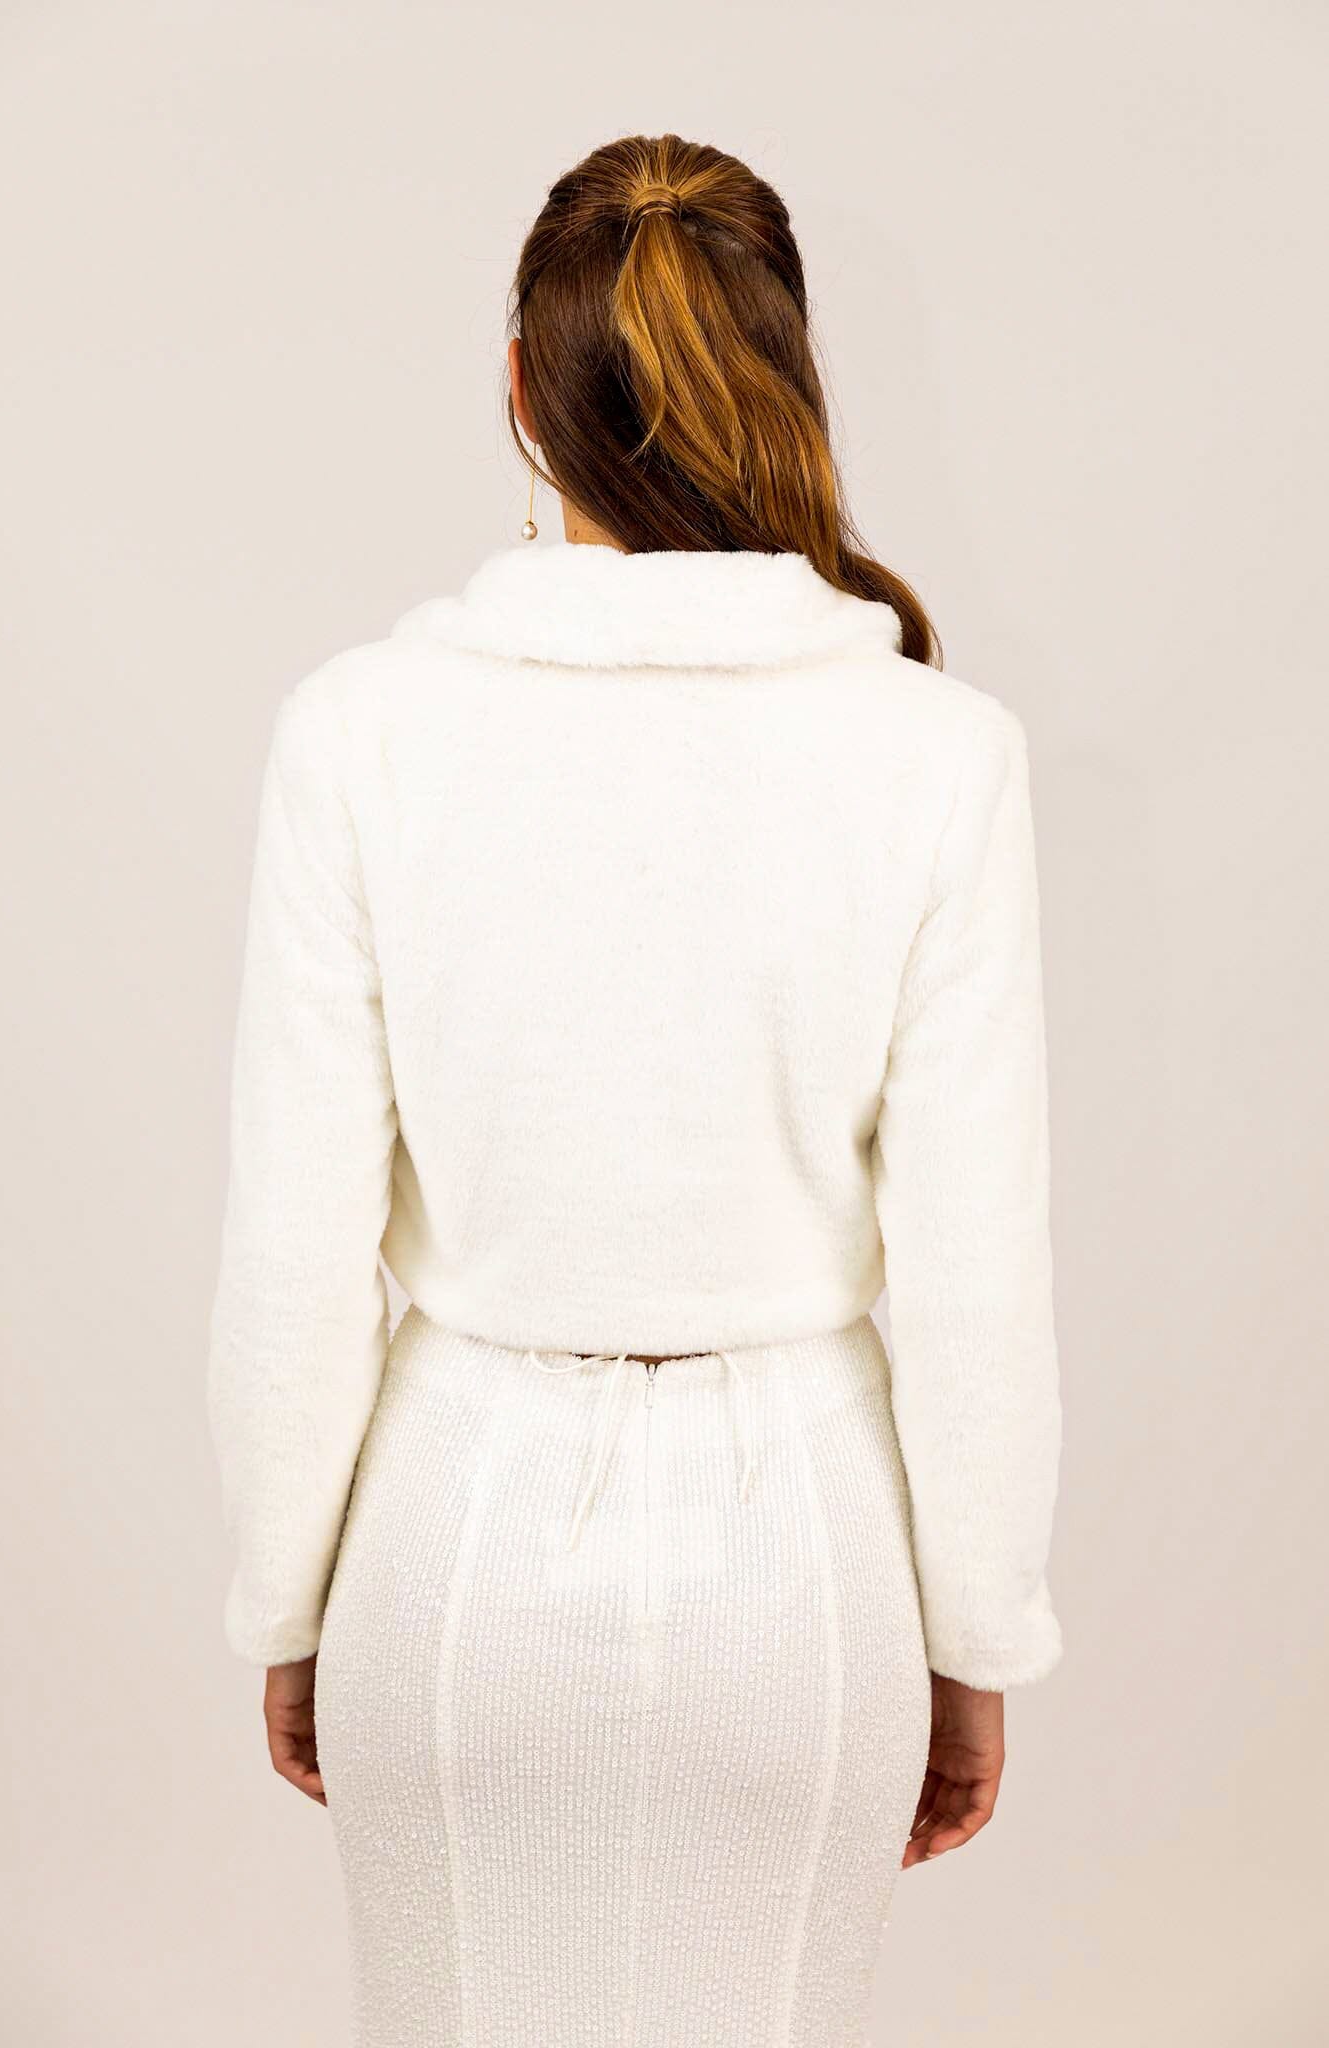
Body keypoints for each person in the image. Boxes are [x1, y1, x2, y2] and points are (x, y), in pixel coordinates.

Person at [207, 130, 1063, 2047]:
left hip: (452, 1553)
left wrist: (287, 1599)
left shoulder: (360, 735)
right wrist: (975, 1632)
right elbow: (975, 1266)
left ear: (521, 389)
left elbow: (293, 1244)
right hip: (802, 1569)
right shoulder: (937, 753)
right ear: (786, 372)